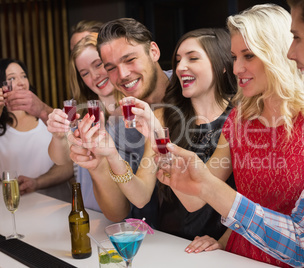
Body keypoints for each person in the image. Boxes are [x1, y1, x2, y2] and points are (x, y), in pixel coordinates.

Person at [156, 0, 304, 267]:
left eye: (296, 38)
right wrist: (206, 186)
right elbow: (303, 239)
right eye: (235, 57)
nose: (291, 52)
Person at [71, 28, 238, 242]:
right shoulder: (163, 114)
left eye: (193, 58)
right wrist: (111, 155)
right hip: (167, 240)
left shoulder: (236, 119)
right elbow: (140, 196)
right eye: (178, 60)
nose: (180, 67)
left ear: (222, 65)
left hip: (213, 247)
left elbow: (194, 200)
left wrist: (223, 243)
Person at [69, 18, 172, 227]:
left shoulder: (190, 86)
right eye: (111, 67)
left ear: (153, 51)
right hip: (161, 243)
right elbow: (117, 213)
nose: (123, 74)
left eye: (130, 59)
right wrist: (97, 167)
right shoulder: (119, 126)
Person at [47, 34, 124, 211]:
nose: (95, 75)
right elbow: (60, 159)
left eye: (98, 65)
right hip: (92, 213)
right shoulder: (79, 111)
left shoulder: (134, 109)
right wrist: (58, 137)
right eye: (85, 73)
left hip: (131, 217)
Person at [0, 59, 73, 202]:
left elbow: (72, 160)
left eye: (24, 76)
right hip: (15, 205)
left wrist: (37, 182)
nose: (21, 82)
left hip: (58, 203)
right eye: (12, 78)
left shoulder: (46, 117)